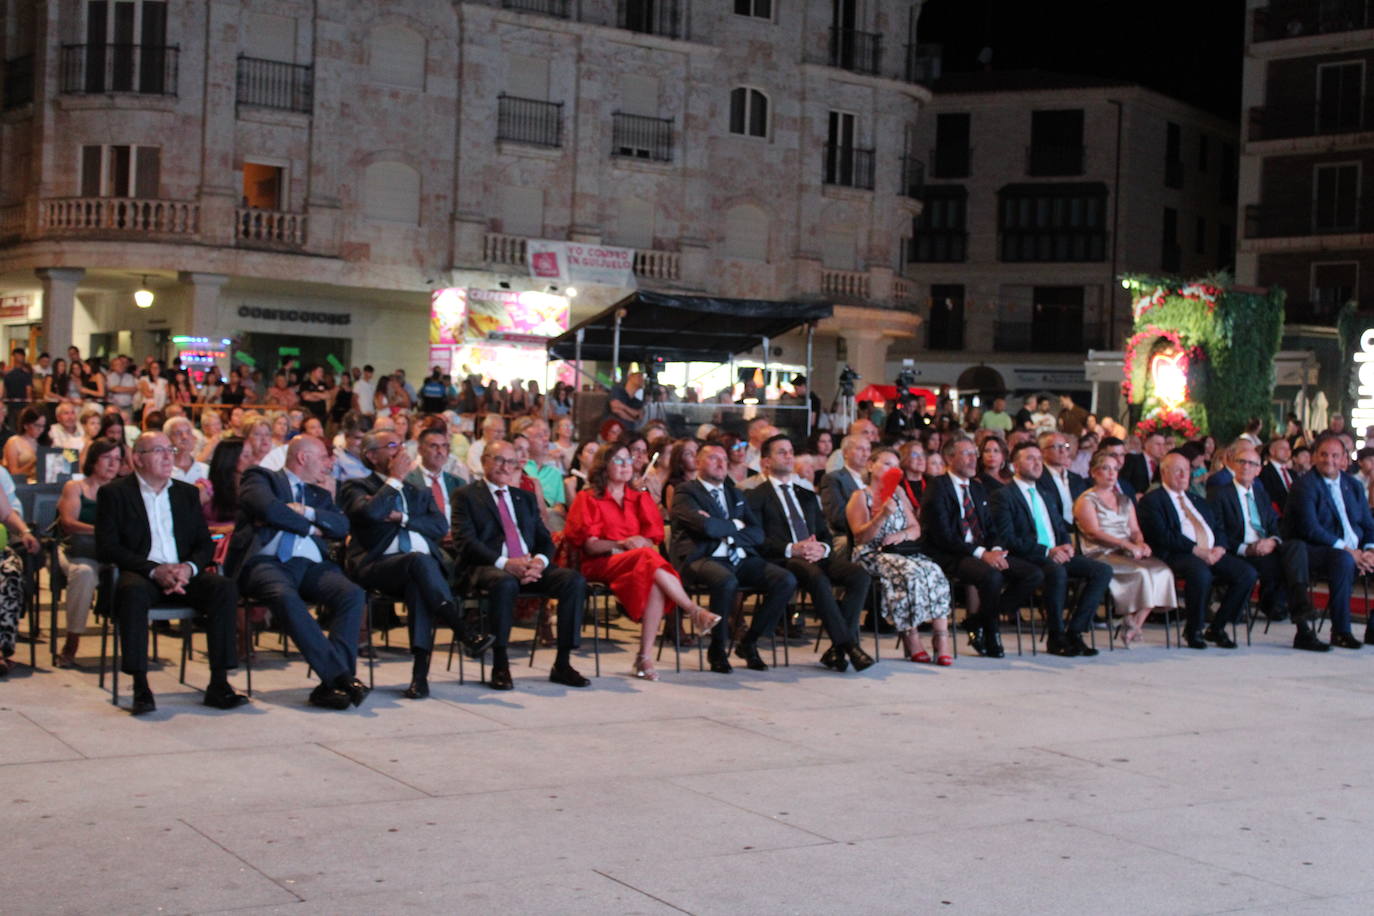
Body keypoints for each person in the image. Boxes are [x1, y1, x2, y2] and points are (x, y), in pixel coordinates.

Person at [93, 432, 246, 714]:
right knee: (132, 592)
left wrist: (188, 568)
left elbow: (204, 543)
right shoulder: (115, 493)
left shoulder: (185, 493)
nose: (168, 456)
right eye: (158, 450)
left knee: (223, 587)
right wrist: (154, 570)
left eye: (170, 449)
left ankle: (219, 683)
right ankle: (140, 685)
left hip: (184, 572)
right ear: (137, 458)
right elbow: (107, 547)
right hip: (141, 572)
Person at [225, 435, 369, 709]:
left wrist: (307, 512)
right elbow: (267, 507)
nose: (329, 465)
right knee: (283, 595)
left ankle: (331, 684)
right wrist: (310, 528)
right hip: (267, 563)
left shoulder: (320, 495)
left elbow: (340, 526)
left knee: (352, 594)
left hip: (312, 566)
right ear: (303, 458)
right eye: (324, 458)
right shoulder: (262, 478)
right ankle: (341, 677)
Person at [341, 431, 486, 699]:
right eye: (392, 446)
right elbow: (371, 513)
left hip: (417, 569)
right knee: (420, 564)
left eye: (402, 445)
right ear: (372, 456)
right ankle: (462, 630)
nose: (400, 451)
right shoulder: (357, 487)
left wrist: (402, 518)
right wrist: (394, 480)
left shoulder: (418, 490)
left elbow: (439, 526)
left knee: (420, 581)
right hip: (376, 566)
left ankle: (420, 679)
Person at [564, 443, 720, 680]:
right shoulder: (588, 498)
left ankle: (644, 657)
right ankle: (692, 610)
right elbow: (590, 545)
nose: (626, 465)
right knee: (650, 560)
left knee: (653, 572)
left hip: (636, 562)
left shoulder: (638, 498)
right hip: (599, 563)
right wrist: (623, 543)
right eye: (619, 460)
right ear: (604, 466)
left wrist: (638, 543)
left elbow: (652, 538)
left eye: (629, 460)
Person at [451, 441, 589, 689]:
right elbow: (466, 543)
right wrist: (506, 563)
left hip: (528, 564)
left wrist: (539, 561)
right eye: (499, 460)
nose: (505, 467)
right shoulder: (466, 496)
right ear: (484, 461)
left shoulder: (524, 498)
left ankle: (563, 663)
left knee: (573, 580)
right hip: (486, 566)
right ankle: (500, 664)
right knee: (504, 583)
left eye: (511, 462)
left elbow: (544, 540)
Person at [747, 434, 874, 671]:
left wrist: (822, 548)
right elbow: (757, 539)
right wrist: (792, 548)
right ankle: (848, 645)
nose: (788, 456)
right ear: (765, 461)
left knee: (860, 575)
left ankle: (837, 649)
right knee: (815, 575)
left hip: (815, 556)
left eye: (790, 452)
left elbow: (824, 535)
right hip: (782, 558)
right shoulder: (756, 496)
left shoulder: (806, 495)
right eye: (781, 452)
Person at [669, 441, 797, 673]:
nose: (721, 464)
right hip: (701, 558)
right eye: (713, 458)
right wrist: (736, 525)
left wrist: (726, 528)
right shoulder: (686, 492)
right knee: (726, 580)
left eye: (724, 460)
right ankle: (717, 648)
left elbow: (757, 533)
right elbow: (706, 528)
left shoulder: (735, 493)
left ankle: (750, 642)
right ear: (698, 462)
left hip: (738, 557)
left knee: (785, 579)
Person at [921, 437, 1044, 658]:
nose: (972, 459)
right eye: (966, 454)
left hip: (982, 552)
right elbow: (943, 536)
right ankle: (991, 632)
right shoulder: (937, 486)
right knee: (992, 577)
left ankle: (977, 621)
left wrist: (995, 550)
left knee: (1033, 574)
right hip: (951, 553)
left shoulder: (977, 488)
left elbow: (991, 528)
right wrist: (982, 554)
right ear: (949, 457)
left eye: (973, 454)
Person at [991, 442, 1111, 657]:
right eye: (1030, 458)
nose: (1037, 463)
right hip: (1027, 556)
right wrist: (1047, 551)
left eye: (1039, 458)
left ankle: (1075, 632)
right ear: (1014, 465)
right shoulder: (1004, 495)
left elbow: (1059, 527)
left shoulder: (1045, 494)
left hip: (1055, 552)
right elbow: (1008, 539)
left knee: (1102, 571)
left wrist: (1066, 545)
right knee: (1056, 571)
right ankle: (1056, 637)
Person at [1208, 442, 1326, 651]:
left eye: (1252, 464)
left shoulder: (1261, 494)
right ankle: (1302, 624)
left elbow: (1275, 526)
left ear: (1258, 470)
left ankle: (1302, 626)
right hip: (1239, 552)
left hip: (1265, 551)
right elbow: (1219, 533)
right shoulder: (1220, 493)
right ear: (1233, 465)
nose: (1246, 467)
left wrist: (1272, 541)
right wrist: (1248, 549)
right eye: (1241, 462)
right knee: (1284, 569)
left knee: (1296, 548)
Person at [1138, 452, 1258, 649]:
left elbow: (1217, 527)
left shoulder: (1197, 499)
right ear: (1164, 472)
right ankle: (1194, 629)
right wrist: (1197, 551)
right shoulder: (1152, 501)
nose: (1184, 475)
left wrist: (1219, 548)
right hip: (1176, 554)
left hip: (1210, 552)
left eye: (1187, 470)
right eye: (1178, 470)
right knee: (1200, 572)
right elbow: (1163, 536)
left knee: (1247, 573)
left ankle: (1217, 628)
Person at [844, 446, 952, 663]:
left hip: (899, 550)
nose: (892, 469)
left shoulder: (899, 493)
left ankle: (941, 638)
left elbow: (915, 528)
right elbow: (860, 537)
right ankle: (910, 637)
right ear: (871, 466)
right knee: (908, 573)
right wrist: (882, 516)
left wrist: (901, 535)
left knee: (934, 570)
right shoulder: (859, 496)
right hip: (871, 552)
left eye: (895, 465)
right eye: (886, 463)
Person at [1074, 451, 1177, 647]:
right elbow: (1094, 532)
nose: (1111, 473)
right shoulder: (1086, 500)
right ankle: (1129, 619)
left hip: (1127, 551)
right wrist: (1125, 544)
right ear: (1094, 472)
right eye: (1105, 468)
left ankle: (1135, 624)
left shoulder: (1124, 499)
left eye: (1114, 469)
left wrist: (1140, 543)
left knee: (1162, 571)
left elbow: (1135, 529)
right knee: (1141, 572)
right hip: (1100, 552)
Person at [1286, 434, 1374, 649]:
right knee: (1343, 560)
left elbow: (1368, 524)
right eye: (1323, 454)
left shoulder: (1352, 485)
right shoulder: (1304, 486)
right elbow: (1311, 529)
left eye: (1335, 455)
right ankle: (1341, 631)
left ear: (1344, 458)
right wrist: (1349, 551)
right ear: (1314, 456)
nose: (1329, 460)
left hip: (1353, 550)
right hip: (1314, 549)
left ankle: (1373, 629)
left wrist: (1369, 550)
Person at [53, 439, 122, 667]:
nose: (113, 464)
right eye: (107, 458)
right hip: (78, 550)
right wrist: (103, 532)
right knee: (83, 573)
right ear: (93, 460)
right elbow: (68, 523)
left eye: (118, 459)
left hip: (112, 554)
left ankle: (133, 644)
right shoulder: (75, 487)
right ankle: (71, 642)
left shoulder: (123, 491)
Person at [819, 434, 871, 543]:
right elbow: (837, 518)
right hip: (849, 537)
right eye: (860, 449)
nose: (866, 454)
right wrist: (871, 525)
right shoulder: (833, 479)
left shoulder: (873, 479)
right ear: (845, 453)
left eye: (868, 449)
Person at [1036, 432, 1088, 527]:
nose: (1063, 451)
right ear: (1042, 452)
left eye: (1065, 446)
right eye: (1056, 447)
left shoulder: (1076, 479)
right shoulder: (1038, 479)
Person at [3, 406, 45, 480]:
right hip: (22, 484)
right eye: (37, 425)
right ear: (26, 425)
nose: (40, 429)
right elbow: (13, 473)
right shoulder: (14, 442)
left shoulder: (43, 442)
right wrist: (33, 462)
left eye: (43, 426)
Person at [1122, 431, 1167, 495]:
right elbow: (1123, 482)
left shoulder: (1163, 464)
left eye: (1163, 445)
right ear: (1146, 444)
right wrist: (1133, 496)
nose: (1162, 448)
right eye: (1158, 444)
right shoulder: (1132, 459)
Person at [1260, 437, 1296, 515]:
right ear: (1272, 451)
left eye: (1289, 449)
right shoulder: (1264, 473)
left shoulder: (1293, 473)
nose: (1287, 452)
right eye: (1283, 449)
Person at [466, 413, 506, 480]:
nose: (501, 435)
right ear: (485, 430)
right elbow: (478, 470)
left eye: (503, 431)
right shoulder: (476, 448)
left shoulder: (504, 448)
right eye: (498, 431)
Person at [564, 439, 599, 506]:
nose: (595, 456)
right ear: (579, 456)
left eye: (598, 453)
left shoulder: (603, 480)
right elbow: (576, 511)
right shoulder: (571, 482)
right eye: (591, 452)